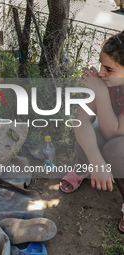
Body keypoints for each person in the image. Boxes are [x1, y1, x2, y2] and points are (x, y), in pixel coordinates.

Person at [59, 31, 124, 231]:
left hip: (119, 140)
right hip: (114, 132)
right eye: (101, 65)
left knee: (114, 149)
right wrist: (97, 163)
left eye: (109, 69)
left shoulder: (103, 86)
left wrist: (102, 93)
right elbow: (81, 120)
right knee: (88, 134)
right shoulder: (106, 81)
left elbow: (115, 133)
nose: (101, 73)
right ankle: (83, 167)